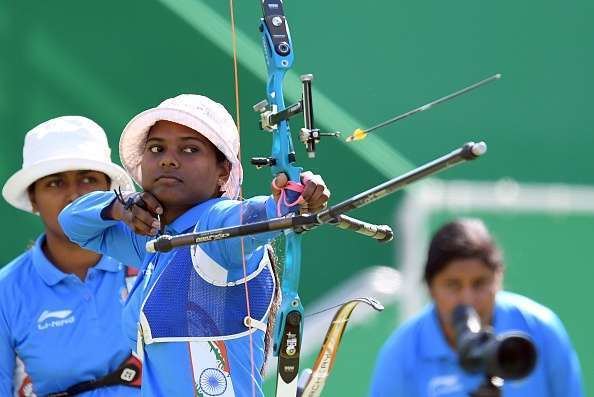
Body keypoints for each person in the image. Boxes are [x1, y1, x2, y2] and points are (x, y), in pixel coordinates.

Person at [59, 94, 330, 397]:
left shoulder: (215, 231)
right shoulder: (154, 241)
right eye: (156, 148)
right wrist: (120, 207)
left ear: (223, 171)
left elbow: (251, 218)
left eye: (190, 149)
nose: (168, 159)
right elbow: (71, 222)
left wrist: (291, 198)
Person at [0, 116, 141, 396]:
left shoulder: (151, 261)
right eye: (54, 183)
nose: (74, 195)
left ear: (109, 191)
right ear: (33, 199)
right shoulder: (6, 291)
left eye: (88, 180)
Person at [369, 218, 583, 397]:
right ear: (430, 288)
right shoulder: (401, 351)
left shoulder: (541, 328)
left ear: (498, 280)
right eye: (452, 285)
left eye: (480, 283)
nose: (467, 299)